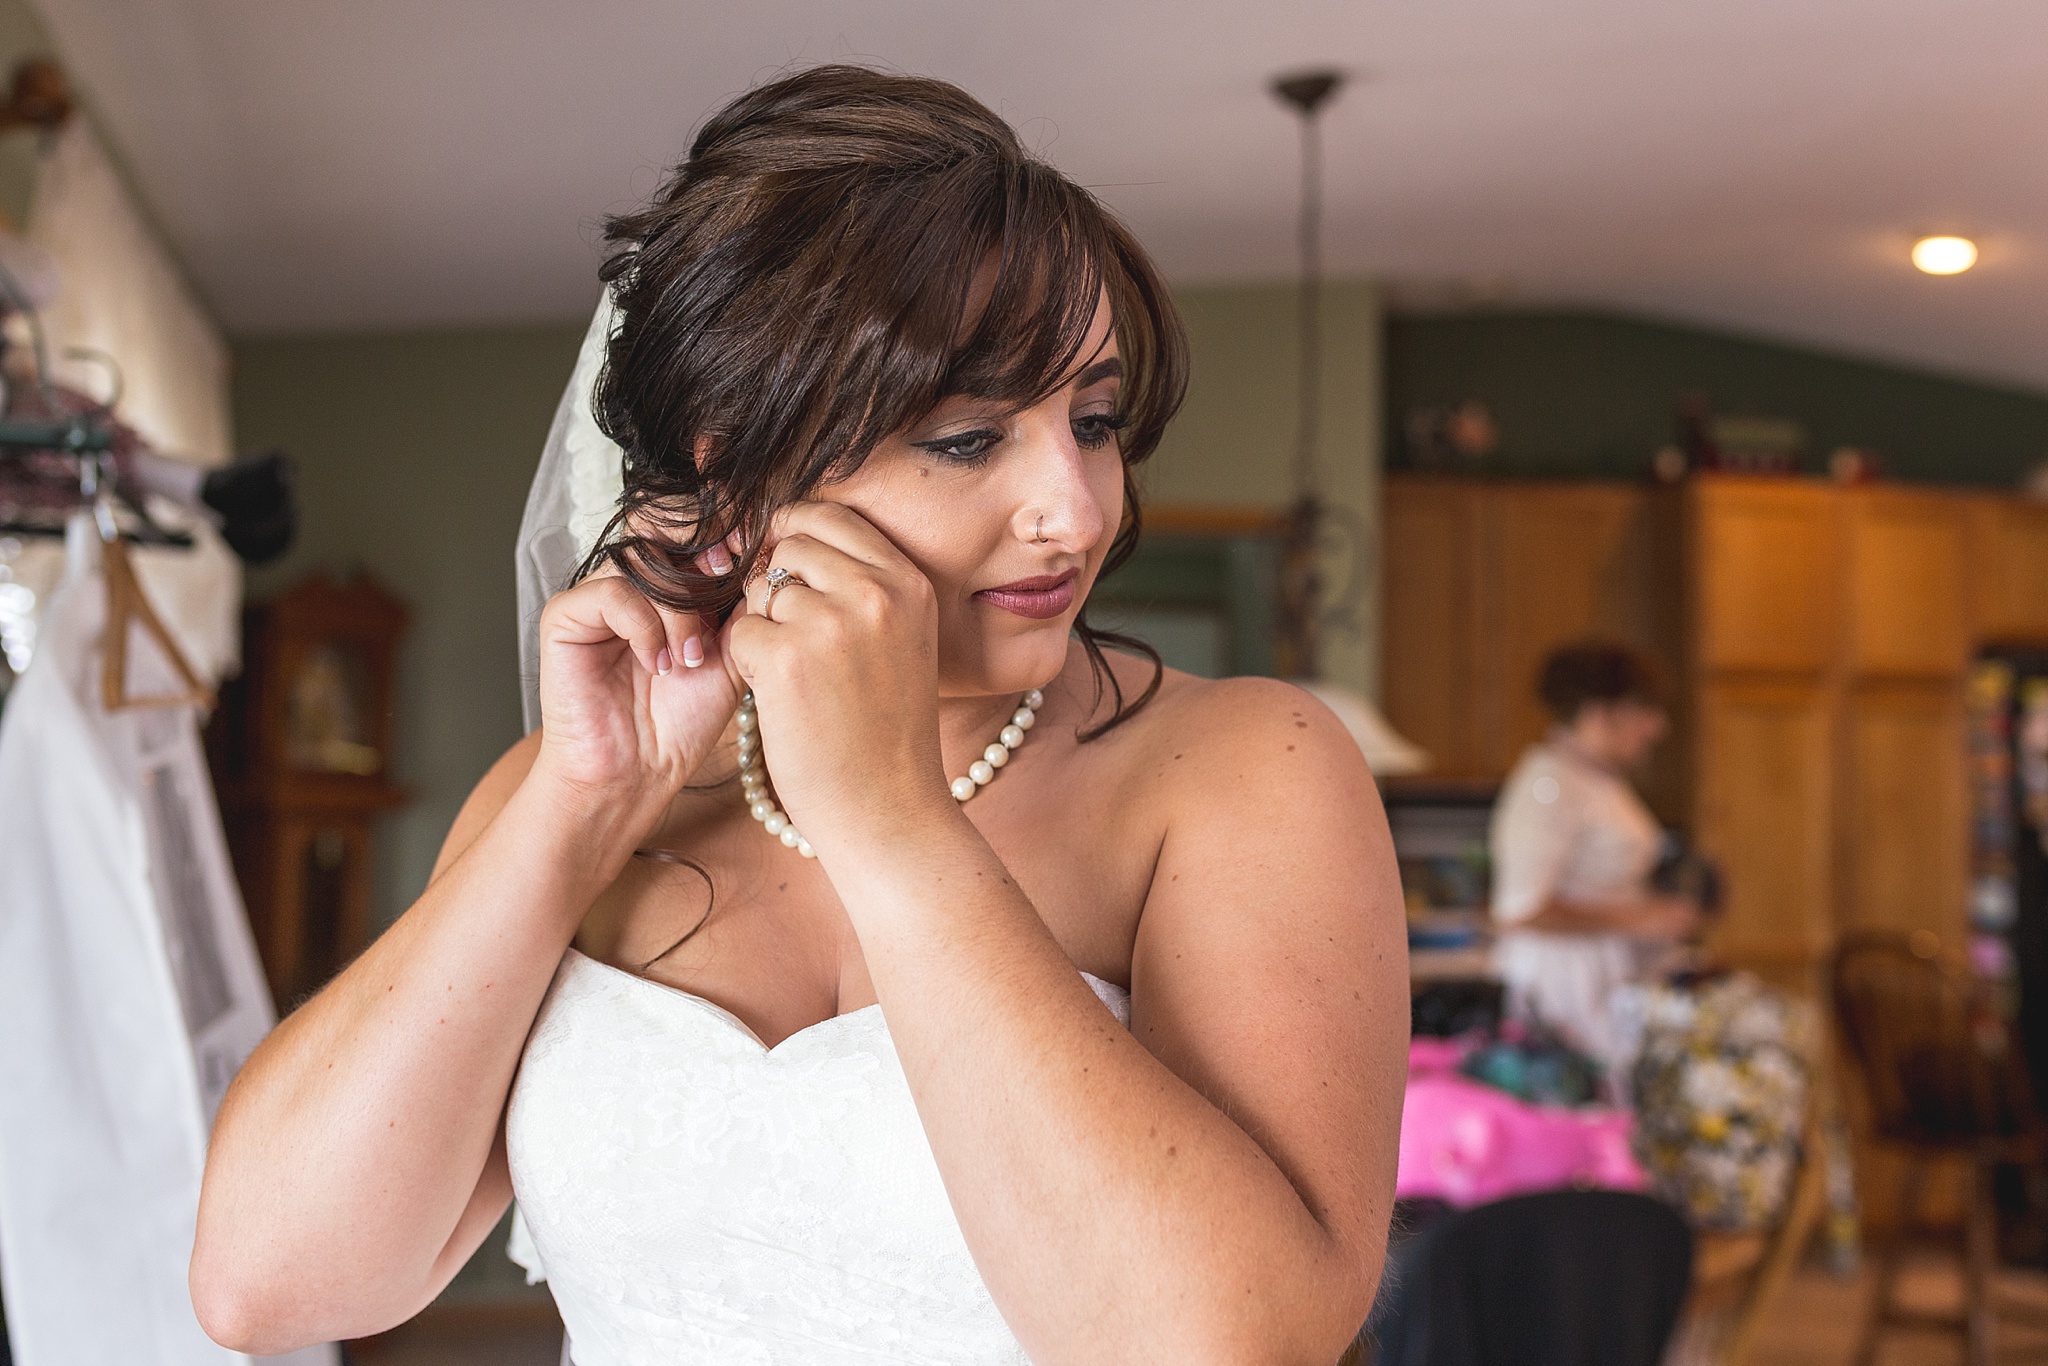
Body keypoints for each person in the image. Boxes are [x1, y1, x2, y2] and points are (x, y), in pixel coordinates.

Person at [189, 67, 1406, 1365]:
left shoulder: (1241, 773)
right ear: (733, 459)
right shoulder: (586, 792)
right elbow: (266, 1283)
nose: (1077, 507)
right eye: (969, 436)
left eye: (1094, 420)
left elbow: (1224, 1343)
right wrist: (580, 805)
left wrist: (892, 822)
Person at [1488, 641, 1696, 1074]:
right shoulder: (1550, 784)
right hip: (1563, 986)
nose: (1657, 728)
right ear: (1600, 712)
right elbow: (1521, 908)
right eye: (1645, 711)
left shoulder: (1598, 781)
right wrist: (1639, 919)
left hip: (1605, 975)